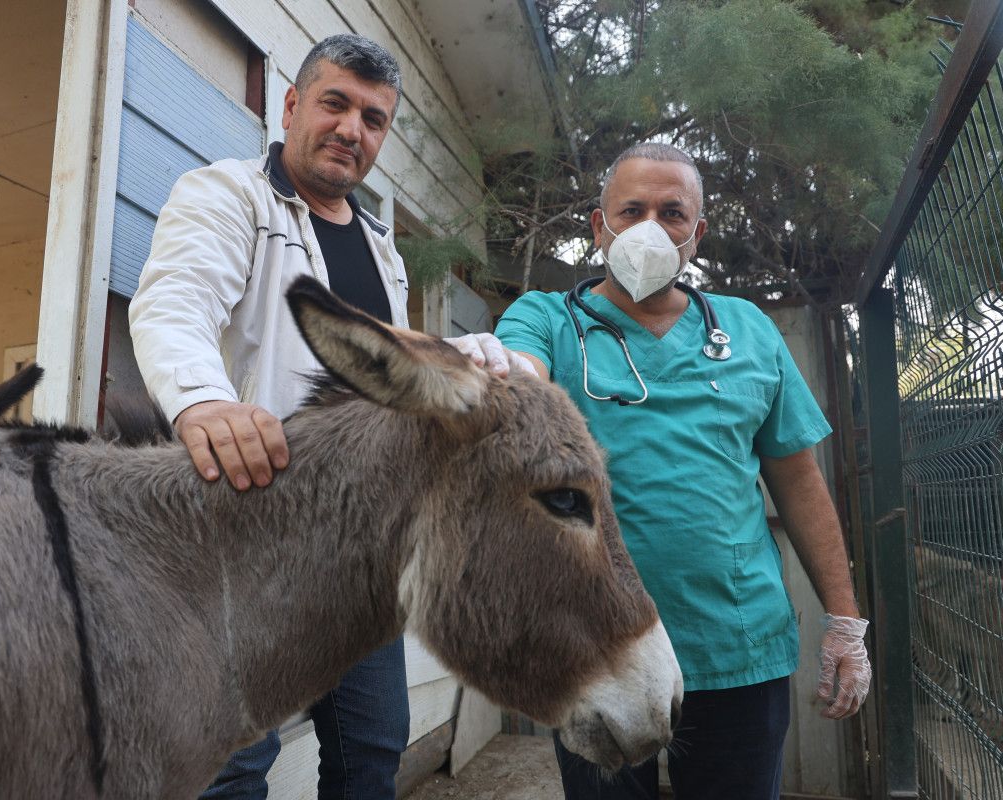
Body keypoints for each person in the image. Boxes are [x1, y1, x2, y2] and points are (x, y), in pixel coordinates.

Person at [128, 34, 526, 800]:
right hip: (248, 531)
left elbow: (378, 363)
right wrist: (203, 400)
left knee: (371, 750)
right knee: (233, 763)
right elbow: (173, 301)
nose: (352, 129)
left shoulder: (381, 247)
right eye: (335, 104)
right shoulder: (227, 194)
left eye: (373, 119)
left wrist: (459, 350)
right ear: (292, 105)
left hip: (358, 544)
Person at [494, 142, 872, 800]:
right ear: (597, 225)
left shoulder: (749, 331)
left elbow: (802, 485)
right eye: (631, 209)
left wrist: (844, 623)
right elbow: (517, 374)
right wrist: (496, 374)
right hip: (595, 650)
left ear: (696, 234)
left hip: (736, 647)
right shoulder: (547, 320)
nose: (649, 227)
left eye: (671, 213)